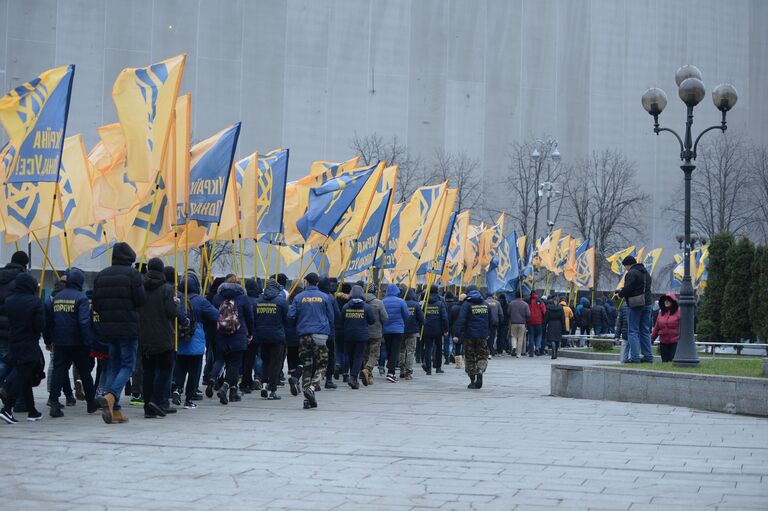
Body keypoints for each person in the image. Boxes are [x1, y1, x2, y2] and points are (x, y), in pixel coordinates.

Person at [93, 242, 146, 424]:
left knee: (113, 366)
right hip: (128, 327)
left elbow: (97, 305)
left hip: (107, 329)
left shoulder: (101, 275)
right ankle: (111, 396)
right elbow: (141, 300)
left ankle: (115, 411)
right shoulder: (133, 275)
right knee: (128, 366)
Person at [44, 268, 99, 418]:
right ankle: (90, 403)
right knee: (85, 372)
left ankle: (54, 403)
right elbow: (83, 321)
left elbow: (49, 321)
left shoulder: (56, 297)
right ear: (80, 282)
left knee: (58, 371)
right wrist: (89, 341)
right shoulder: (81, 298)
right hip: (78, 342)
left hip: (60, 341)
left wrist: (48, 339)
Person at [138, 258, 185, 418]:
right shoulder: (166, 289)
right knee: (165, 369)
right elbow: (172, 312)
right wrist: (177, 305)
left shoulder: (141, 288)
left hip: (144, 336)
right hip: (164, 336)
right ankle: (156, 400)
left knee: (148, 371)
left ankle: (147, 408)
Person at [0, 272, 45, 423]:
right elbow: (39, 325)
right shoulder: (35, 302)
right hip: (29, 342)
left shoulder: (9, 301)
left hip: (14, 341)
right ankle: (7, 408)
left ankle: (32, 411)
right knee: (22, 375)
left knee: (24, 374)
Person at [288, 272, 334, 409]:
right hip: (320, 334)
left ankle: (306, 400)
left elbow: (291, 316)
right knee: (322, 365)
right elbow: (331, 317)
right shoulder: (325, 297)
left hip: (304, 334)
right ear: (317, 283)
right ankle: (312, 388)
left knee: (306, 365)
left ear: (306, 282)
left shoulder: (299, 297)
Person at [173, 272, 219, 409]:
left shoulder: (177, 297)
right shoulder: (200, 301)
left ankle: (177, 389)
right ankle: (189, 399)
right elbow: (215, 315)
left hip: (179, 338)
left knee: (180, 367)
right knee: (194, 371)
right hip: (195, 337)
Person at [211, 276, 255, 405]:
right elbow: (249, 317)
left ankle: (217, 381)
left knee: (220, 359)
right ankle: (225, 386)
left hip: (220, 334)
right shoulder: (243, 298)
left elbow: (214, 315)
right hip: (238, 334)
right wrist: (250, 333)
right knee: (234, 363)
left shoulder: (217, 297)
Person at [253, 279, 289, 399]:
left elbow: (254, 318)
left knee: (265, 362)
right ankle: (272, 390)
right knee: (275, 363)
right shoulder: (281, 301)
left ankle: (263, 385)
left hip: (261, 336)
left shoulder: (258, 301)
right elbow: (286, 318)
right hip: (277, 337)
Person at [0, 251, 29, 400]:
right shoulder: (21, 279)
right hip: (13, 329)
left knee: (3, 360)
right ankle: (16, 400)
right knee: (14, 362)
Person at [617, 255, 654, 363]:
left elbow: (629, 288)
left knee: (632, 331)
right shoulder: (646, 273)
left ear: (628, 265)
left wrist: (620, 294)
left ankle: (635, 357)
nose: (626, 269)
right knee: (645, 331)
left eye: (625, 267)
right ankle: (648, 356)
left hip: (635, 304)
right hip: (647, 304)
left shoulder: (632, 273)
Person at [454, 289, 491, 389]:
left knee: (470, 357)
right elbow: (490, 320)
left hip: (469, 335)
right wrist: (488, 332)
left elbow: (461, 319)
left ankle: (472, 380)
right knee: (482, 355)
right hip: (482, 335)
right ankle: (480, 370)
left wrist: (457, 334)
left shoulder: (466, 304)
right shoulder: (485, 304)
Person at [341, 285, 375, 389]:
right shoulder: (366, 307)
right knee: (358, 356)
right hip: (361, 336)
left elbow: (342, 320)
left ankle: (353, 377)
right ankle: (353, 377)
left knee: (351, 356)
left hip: (348, 335)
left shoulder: (346, 306)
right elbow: (372, 320)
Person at [381, 284, 410, 383]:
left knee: (389, 350)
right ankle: (391, 373)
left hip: (386, 330)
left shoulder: (383, 301)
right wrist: (402, 323)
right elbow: (407, 315)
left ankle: (390, 367)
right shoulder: (401, 301)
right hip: (398, 330)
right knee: (395, 351)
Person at [240, 278, 263, 395]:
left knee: (243, 359)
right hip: (255, 334)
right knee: (251, 358)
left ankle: (245, 380)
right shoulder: (259, 301)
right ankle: (249, 380)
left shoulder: (243, 300)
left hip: (243, 333)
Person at [361, 285, 387, 385]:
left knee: (365, 355)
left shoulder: (362, 302)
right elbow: (385, 317)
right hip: (376, 333)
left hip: (364, 332)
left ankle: (369, 377)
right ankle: (367, 369)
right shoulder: (379, 303)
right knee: (375, 354)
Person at [318, 277, 340, 390]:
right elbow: (336, 315)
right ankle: (329, 379)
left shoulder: (313, 296)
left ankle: (315, 380)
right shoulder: (331, 298)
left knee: (316, 355)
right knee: (331, 355)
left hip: (314, 330)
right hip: (329, 332)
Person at [422, 285, 447, 375]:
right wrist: (445, 329)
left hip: (427, 328)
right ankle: (438, 367)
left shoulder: (425, 302)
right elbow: (444, 317)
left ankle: (428, 369)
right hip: (438, 329)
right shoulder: (440, 303)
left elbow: (421, 316)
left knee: (428, 348)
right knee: (439, 348)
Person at [400, 288, 424, 379]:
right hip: (413, 330)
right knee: (410, 351)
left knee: (401, 350)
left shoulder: (401, 303)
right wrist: (421, 324)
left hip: (401, 330)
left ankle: (401, 368)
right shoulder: (415, 304)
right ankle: (408, 371)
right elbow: (421, 318)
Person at [652, 293, 680, 362]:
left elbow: (683, 328)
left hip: (675, 342)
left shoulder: (679, 313)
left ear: (673, 302)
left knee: (673, 361)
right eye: (665, 300)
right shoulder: (661, 313)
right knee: (664, 361)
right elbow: (656, 328)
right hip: (663, 342)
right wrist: (651, 339)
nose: (666, 302)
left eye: (668, 300)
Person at [507, 294, 530, 358]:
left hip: (513, 323)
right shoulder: (525, 304)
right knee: (520, 338)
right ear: (521, 296)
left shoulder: (511, 303)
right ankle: (518, 354)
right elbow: (528, 314)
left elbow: (508, 312)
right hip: (522, 323)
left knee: (513, 336)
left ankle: (514, 346)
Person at [526, 292, 546, 356]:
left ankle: (531, 350)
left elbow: (526, 312)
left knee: (531, 336)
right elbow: (544, 312)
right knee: (539, 335)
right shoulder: (540, 301)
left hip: (530, 321)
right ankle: (538, 348)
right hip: (539, 321)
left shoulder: (528, 301)